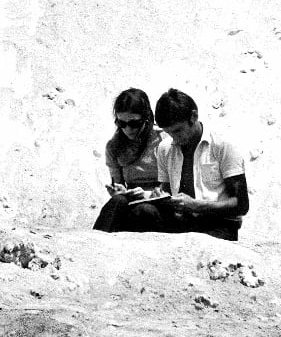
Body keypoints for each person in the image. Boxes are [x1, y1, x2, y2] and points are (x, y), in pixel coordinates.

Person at [149, 89, 249, 241]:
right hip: (182, 221)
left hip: (218, 224)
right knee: (141, 211)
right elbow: (167, 193)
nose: (175, 138)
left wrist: (196, 205)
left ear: (193, 116)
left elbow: (241, 205)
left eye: (178, 130)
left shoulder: (222, 145)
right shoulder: (165, 148)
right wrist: (160, 198)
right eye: (169, 133)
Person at [93, 88, 165, 233]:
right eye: (122, 124)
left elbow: (173, 185)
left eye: (134, 124)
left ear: (146, 118)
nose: (128, 129)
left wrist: (148, 194)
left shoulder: (163, 141)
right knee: (117, 201)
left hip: (159, 203)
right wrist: (119, 191)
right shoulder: (115, 146)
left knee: (144, 211)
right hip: (132, 201)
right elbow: (118, 182)